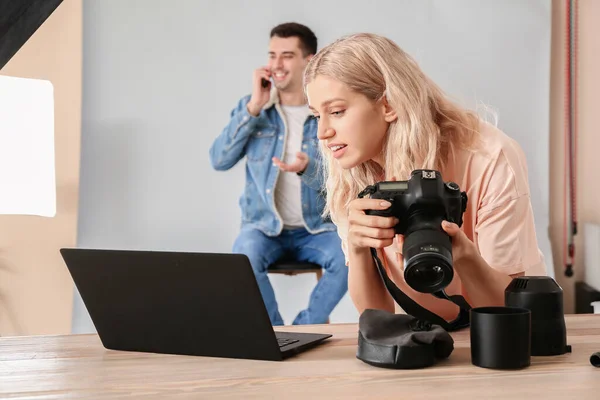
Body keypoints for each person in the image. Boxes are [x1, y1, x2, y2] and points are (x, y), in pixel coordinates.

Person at [303, 32, 547, 322]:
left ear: (388, 105)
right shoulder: (352, 174)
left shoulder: (490, 157)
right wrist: (357, 250)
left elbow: (508, 311)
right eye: (317, 116)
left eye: (337, 111)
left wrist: (465, 257)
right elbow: (377, 315)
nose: (322, 133)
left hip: (509, 335)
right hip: (431, 337)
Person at [209, 23, 348, 326]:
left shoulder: (327, 113)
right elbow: (219, 159)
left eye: (286, 56)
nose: (276, 65)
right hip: (263, 227)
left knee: (351, 255)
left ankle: (305, 329)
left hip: (317, 229)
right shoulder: (255, 110)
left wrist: (308, 169)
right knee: (243, 256)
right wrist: (253, 108)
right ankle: (275, 334)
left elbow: (346, 179)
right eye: (272, 56)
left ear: (309, 61)